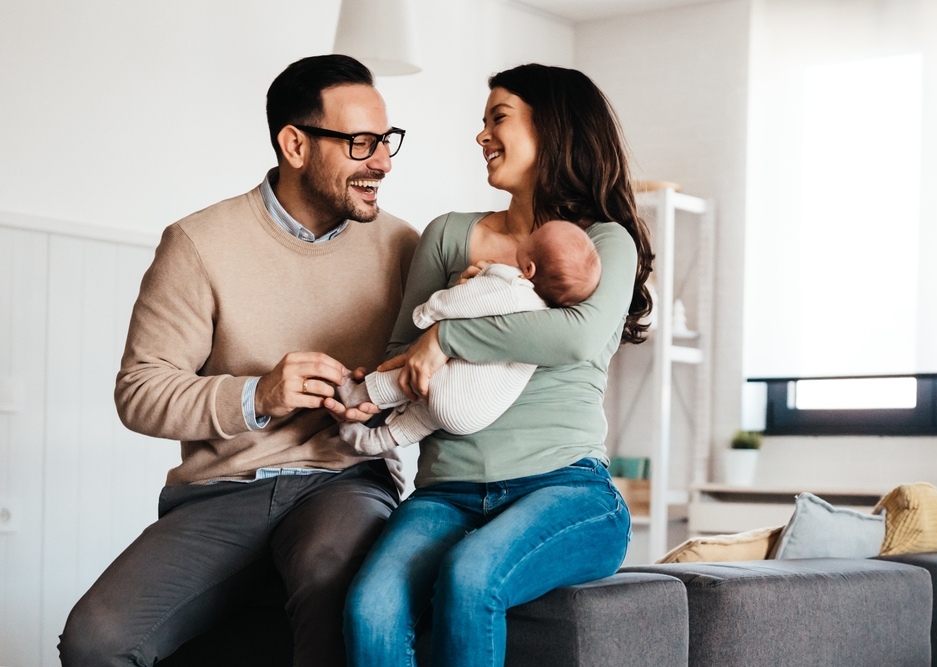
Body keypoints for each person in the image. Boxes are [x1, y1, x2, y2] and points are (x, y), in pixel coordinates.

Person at [58, 54, 419, 667]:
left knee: (335, 585)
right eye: (360, 143)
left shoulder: (404, 246)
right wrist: (258, 397)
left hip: (344, 480)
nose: (381, 161)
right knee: (97, 641)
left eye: (386, 141)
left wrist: (382, 397)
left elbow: (427, 378)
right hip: (220, 494)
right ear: (295, 144)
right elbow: (140, 391)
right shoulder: (198, 244)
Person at [343, 63, 655, 667]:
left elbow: (577, 339)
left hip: (567, 487)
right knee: (369, 606)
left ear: (553, 129)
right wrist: (369, 388)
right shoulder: (448, 237)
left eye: (498, 118)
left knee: (471, 573)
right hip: (447, 493)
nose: (482, 135)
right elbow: (400, 358)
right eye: (484, 122)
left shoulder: (605, 240)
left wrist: (454, 333)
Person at [336, 219, 602, 454]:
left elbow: (463, 300)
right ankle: (376, 441)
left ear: (529, 269)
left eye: (536, 234)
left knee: (420, 372)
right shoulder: (543, 319)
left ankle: (359, 394)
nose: (531, 233)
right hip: (475, 415)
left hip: (449, 390)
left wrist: (428, 311)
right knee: (424, 419)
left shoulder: (512, 284)